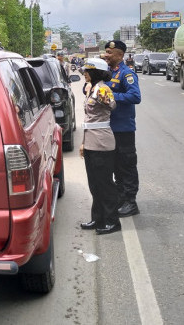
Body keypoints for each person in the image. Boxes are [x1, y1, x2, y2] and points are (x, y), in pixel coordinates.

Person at [79, 58, 120, 235]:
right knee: (94, 184)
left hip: (102, 143)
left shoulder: (102, 89)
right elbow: (88, 120)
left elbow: (112, 106)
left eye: (88, 70)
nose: (85, 73)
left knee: (105, 184)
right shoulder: (92, 89)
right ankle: (98, 218)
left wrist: (104, 96)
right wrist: (83, 143)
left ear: (97, 72)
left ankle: (112, 221)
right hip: (91, 142)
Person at [102, 40, 142, 217]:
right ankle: (120, 197)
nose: (106, 55)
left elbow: (135, 96)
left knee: (127, 165)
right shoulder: (108, 73)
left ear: (120, 55)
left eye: (109, 53)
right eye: (106, 52)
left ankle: (130, 202)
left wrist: (111, 95)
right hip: (109, 127)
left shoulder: (127, 74)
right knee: (116, 165)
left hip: (124, 129)